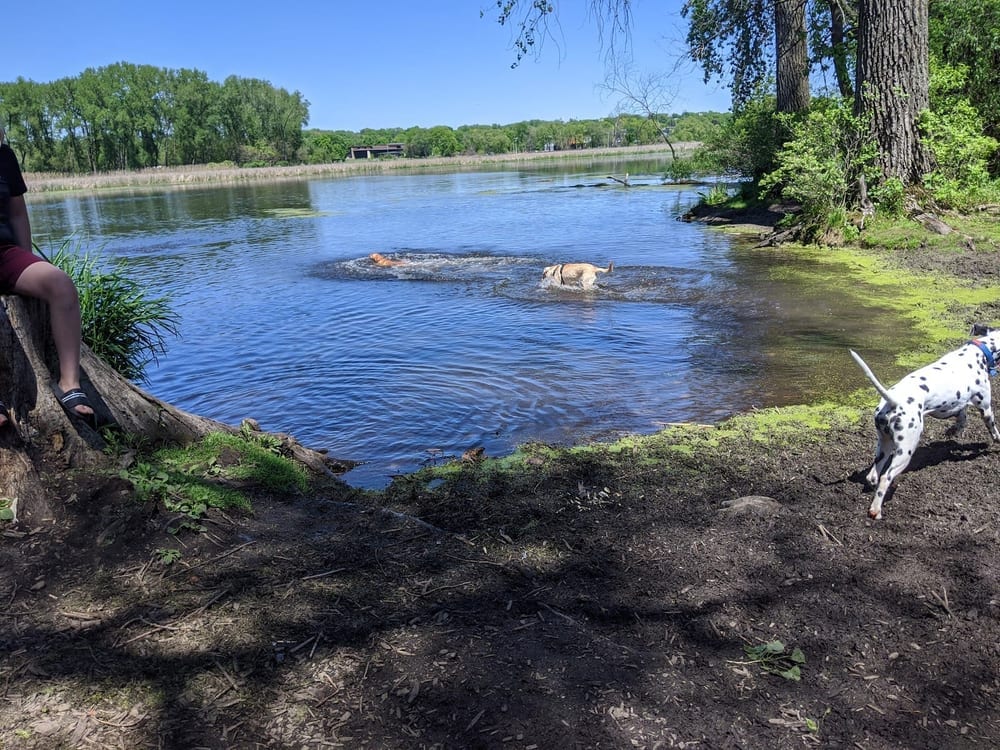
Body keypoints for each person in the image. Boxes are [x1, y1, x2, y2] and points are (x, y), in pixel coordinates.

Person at [0, 130, 94, 428]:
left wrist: (25, 260)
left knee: (61, 284)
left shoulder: (4, 157)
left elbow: (17, 214)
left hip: (5, 254)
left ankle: (69, 383)